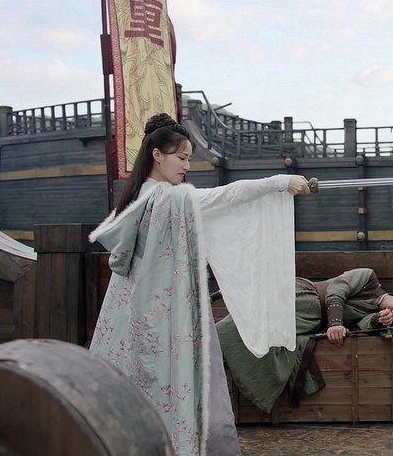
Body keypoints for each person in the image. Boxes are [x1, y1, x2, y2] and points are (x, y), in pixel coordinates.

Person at [89, 113, 311, 456]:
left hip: (129, 315)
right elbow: (226, 196)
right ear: (157, 155)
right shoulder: (169, 200)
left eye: (189, 158)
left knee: (136, 391)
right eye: (181, 157)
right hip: (171, 315)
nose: (186, 166)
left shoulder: (138, 198)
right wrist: (278, 183)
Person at [216, 267, 393, 413]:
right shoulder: (369, 278)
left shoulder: (376, 314)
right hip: (304, 298)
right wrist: (335, 323)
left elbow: (360, 327)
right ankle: (215, 341)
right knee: (249, 325)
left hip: (309, 321)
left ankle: (217, 348)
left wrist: (377, 320)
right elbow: (336, 290)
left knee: (259, 335)